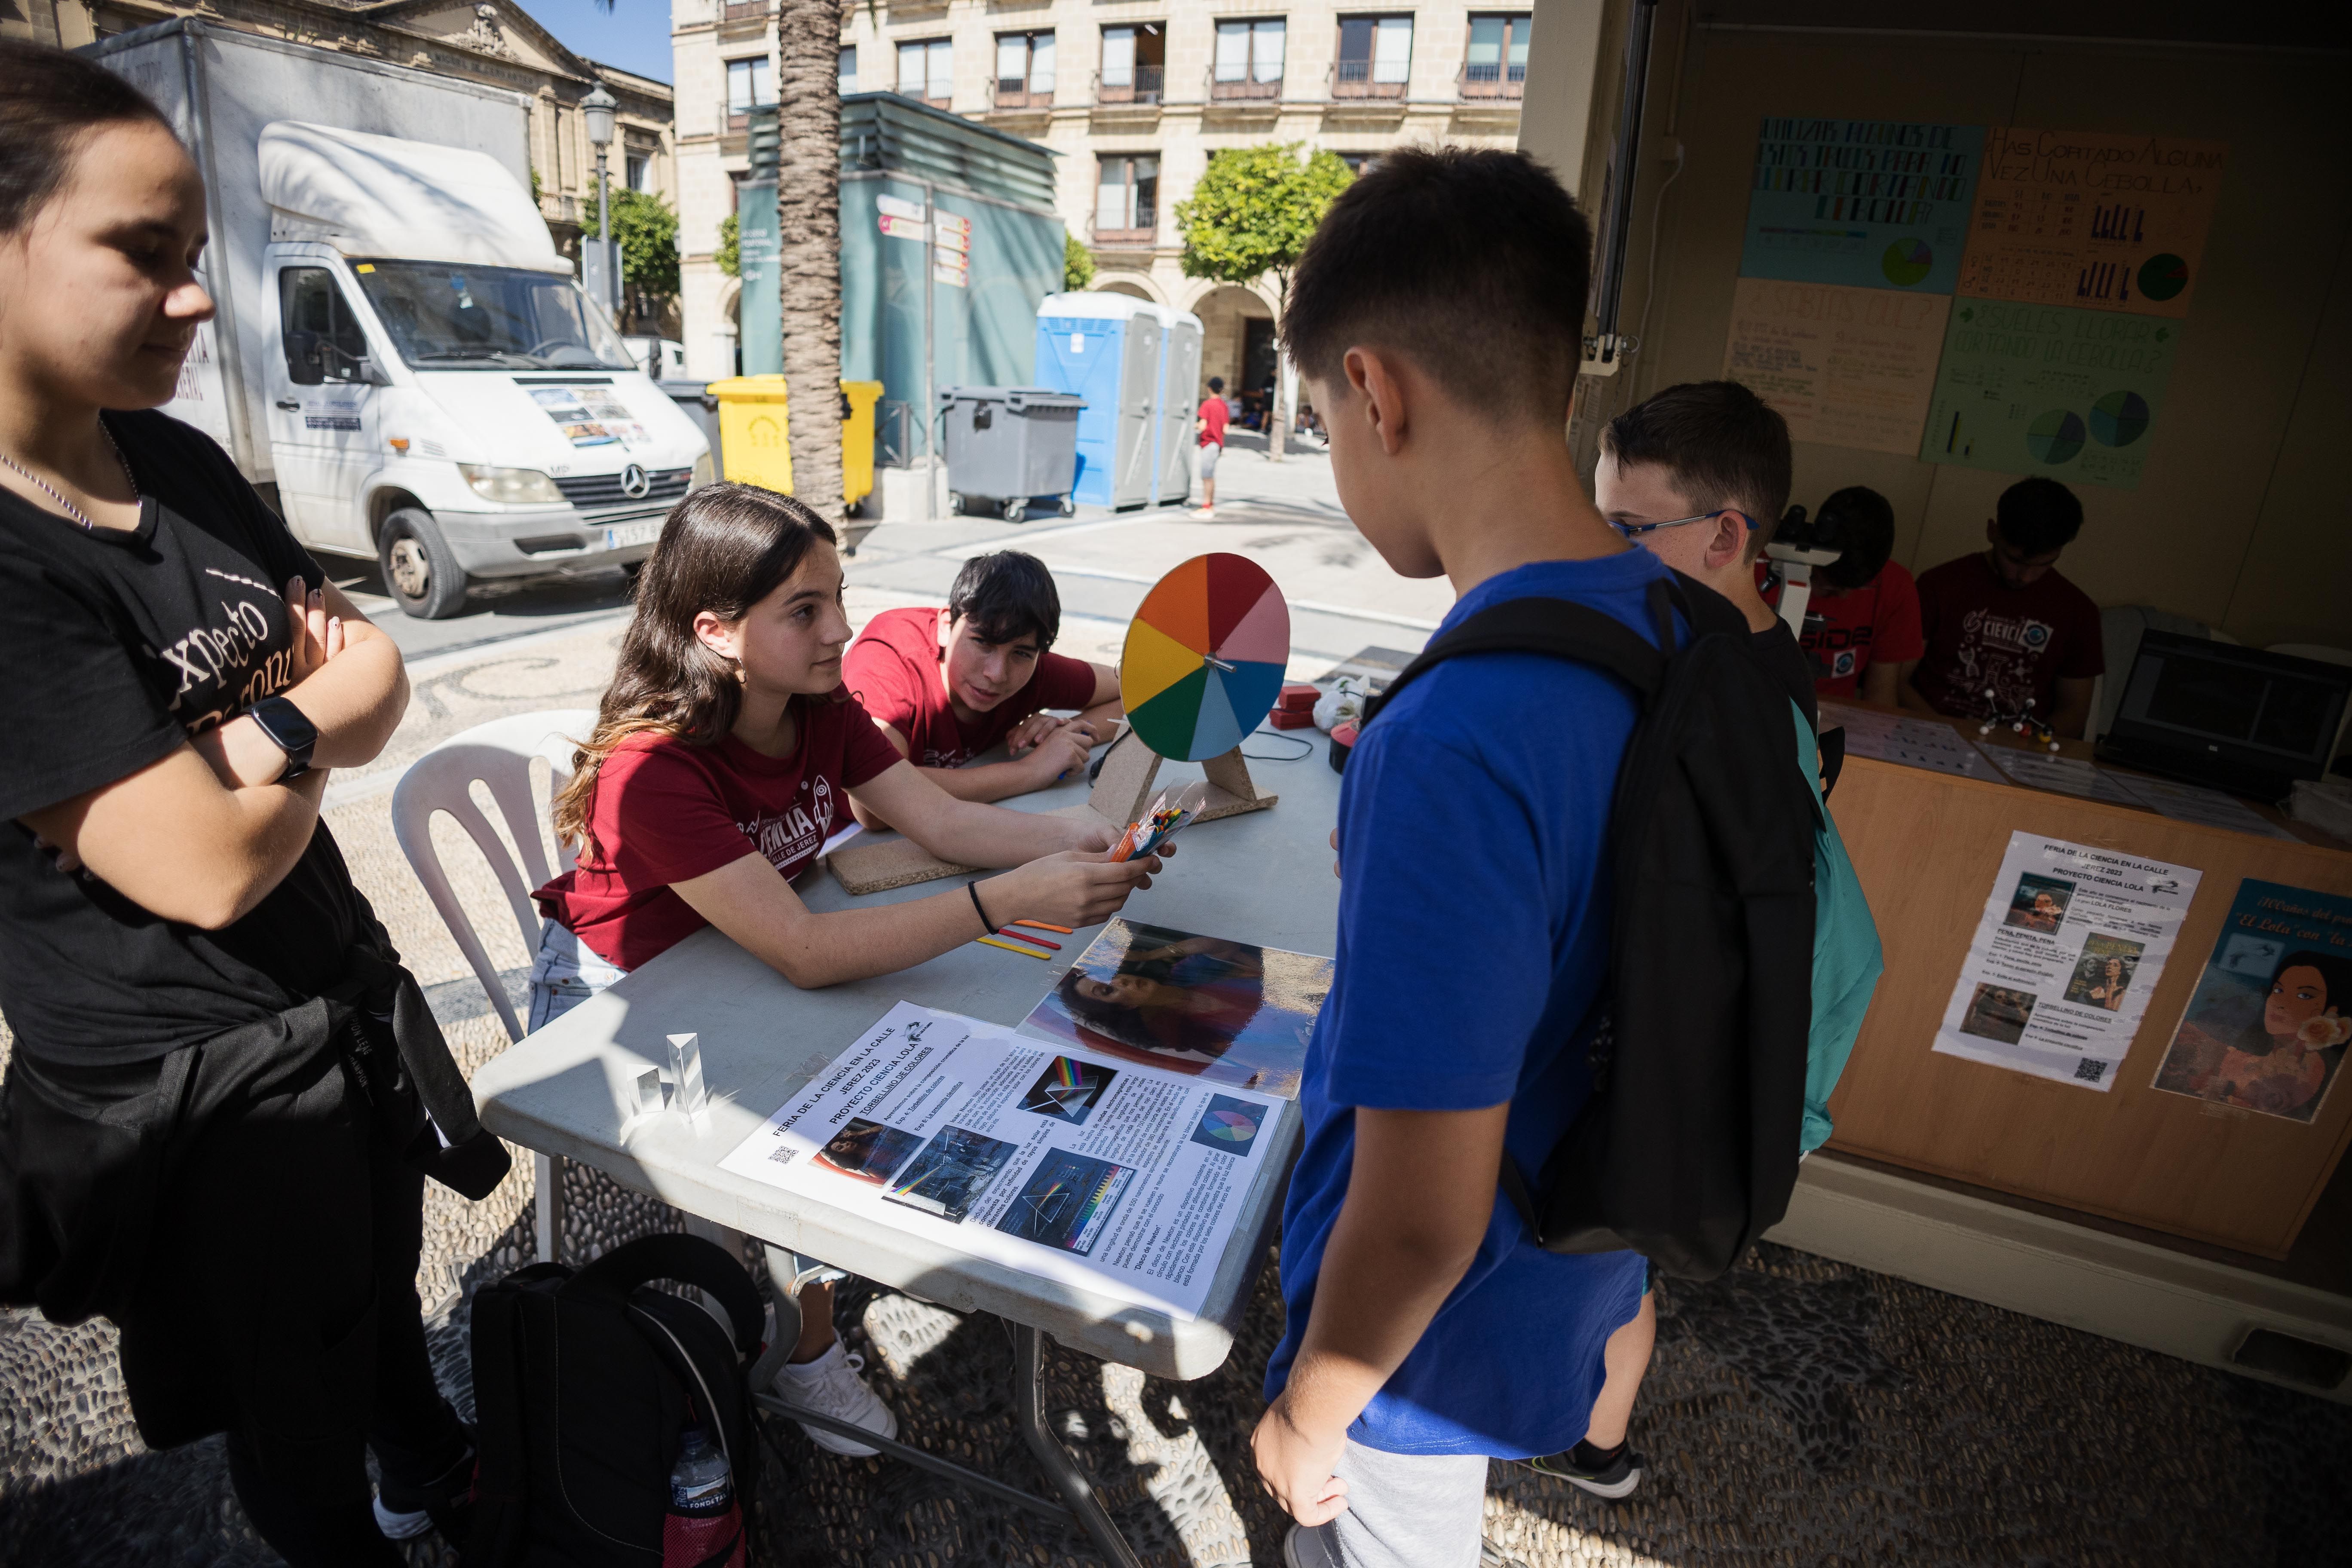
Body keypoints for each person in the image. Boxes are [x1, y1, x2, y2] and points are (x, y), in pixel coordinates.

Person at [0, 43, 479, 1563]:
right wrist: (307, 711)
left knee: (381, 1300)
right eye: (144, 252)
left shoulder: (176, 458)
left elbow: (379, 671)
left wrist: (261, 740)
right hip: (198, 1091)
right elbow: (203, 867)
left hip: (332, 1001)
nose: (197, 298)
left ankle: (435, 1469)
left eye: (195, 253)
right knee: (289, 1407)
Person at [527, 481, 1163, 1455]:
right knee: (773, 1139)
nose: (840, 630)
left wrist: (1080, 833)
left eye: (838, 597)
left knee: (867, 1078)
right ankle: (795, 1345)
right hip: (620, 994)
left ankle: (786, 1302)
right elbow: (807, 952)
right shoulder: (650, 767)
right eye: (804, 610)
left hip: (738, 955)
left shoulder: (817, 706)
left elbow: (939, 819)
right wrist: (1014, 896)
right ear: (715, 631)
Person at [1253, 147, 1668, 1568]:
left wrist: (1309, 1414)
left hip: (1419, 1355)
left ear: (1375, 391)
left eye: (1325, 421)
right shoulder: (1677, 620)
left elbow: (1421, 1220)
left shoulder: (1452, 737)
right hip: (1583, 1248)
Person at [1595, 380, 1818, 730]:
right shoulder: (1668, 635)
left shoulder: (1749, 703)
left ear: (1723, 539)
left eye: (1631, 528)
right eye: (1601, 523)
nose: (1605, 550)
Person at [842, 549, 1121, 828]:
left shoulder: (1033, 668)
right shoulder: (890, 659)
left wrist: (1065, 736)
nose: (997, 674)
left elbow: (1137, 695)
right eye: (983, 643)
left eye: (1022, 653)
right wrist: (1030, 771)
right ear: (946, 626)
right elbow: (875, 806)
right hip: (837, 837)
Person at [1902, 476, 2102, 738]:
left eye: (2044, 564)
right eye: (2015, 560)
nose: (2025, 577)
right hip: (1928, 736)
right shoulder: (1939, 585)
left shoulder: (2078, 611)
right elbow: (1897, 680)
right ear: (1992, 532)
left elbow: (2074, 712)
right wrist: (1946, 732)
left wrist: (2023, 743)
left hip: (2021, 748)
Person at [1762, 486, 1924, 705]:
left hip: (1837, 714)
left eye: (1857, 588)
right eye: (1829, 586)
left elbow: (1881, 694)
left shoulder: (1895, 585)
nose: (1844, 597)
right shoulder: (1758, 565)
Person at [2169, 950, 2352, 1120]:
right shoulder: (2253, 1046)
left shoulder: (2309, 1069)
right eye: (2278, 990)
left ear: (2331, 1011)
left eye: (2304, 995)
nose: (2280, 1002)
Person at [1192, 374, 1229, 518]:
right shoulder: (1223, 406)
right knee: (1211, 476)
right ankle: (1211, 504)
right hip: (1218, 444)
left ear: (1209, 389)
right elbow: (1226, 429)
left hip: (1208, 443)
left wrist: (1195, 425)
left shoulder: (1207, 405)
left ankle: (1206, 506)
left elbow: (1202, 426)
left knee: (1206, 476)